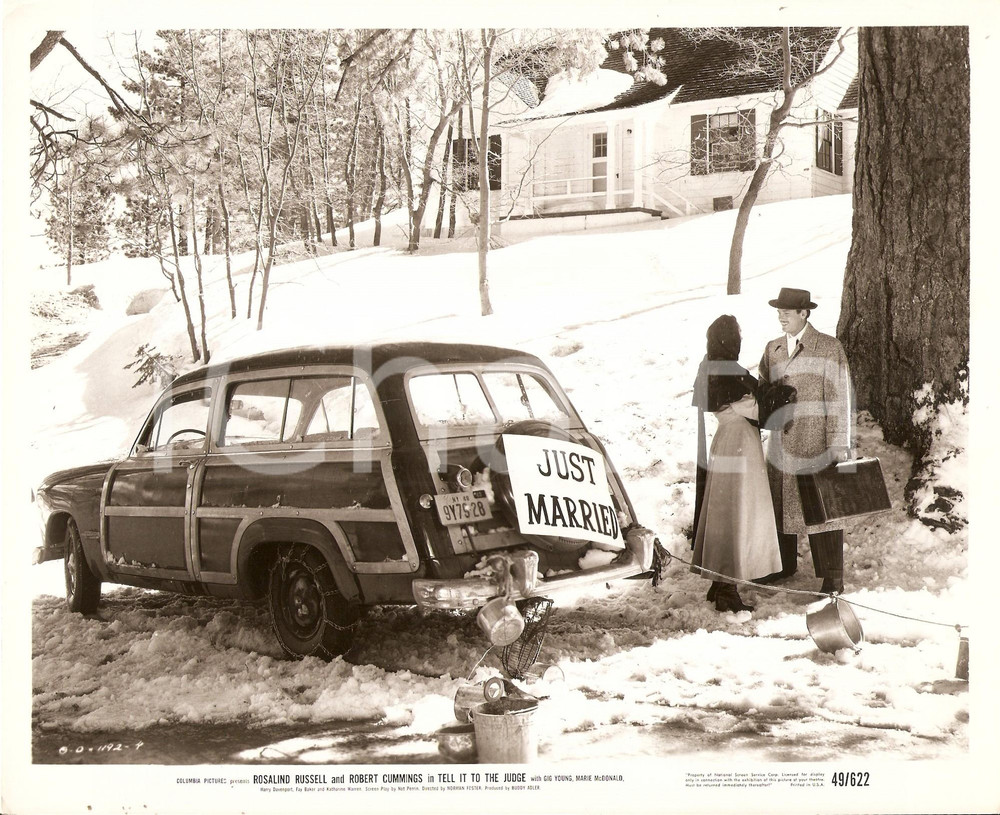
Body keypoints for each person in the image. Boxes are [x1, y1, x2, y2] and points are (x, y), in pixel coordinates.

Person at [758, 288, 854, 594]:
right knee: (780, 504)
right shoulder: (773, 349)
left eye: (788, 312)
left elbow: (840, 398)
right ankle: (783, 565)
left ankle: (832, 577)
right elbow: (762, 389)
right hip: (781, 444)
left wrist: (837, 445)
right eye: (778, 311)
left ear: (804, 313)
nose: (781, 316)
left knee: (823, 510)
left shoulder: (828, 348)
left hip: (815, 443)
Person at [691, 315, 782, 612]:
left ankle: (721, 582)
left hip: (728, 440)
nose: (738, 343)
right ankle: (728, 588)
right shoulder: (729, 372)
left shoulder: (710, 366)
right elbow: (754, 409)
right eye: (735, 339)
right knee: (738, 513)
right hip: (739, 444)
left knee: (727, 512)